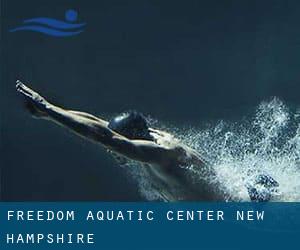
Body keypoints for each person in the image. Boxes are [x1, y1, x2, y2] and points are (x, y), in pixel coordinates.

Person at [15, 80, 277, 201]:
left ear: (132, 140)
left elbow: (105, 137)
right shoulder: (146, 139)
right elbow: (99, 126)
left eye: (115, 146)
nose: (111, 151)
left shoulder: (161, 154)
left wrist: (48, 109)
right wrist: (51, 113)